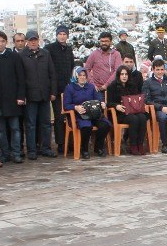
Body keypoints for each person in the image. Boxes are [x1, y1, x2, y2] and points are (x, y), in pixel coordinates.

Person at [0, 31, 26, 163]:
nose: (0, 44)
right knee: (1, 130)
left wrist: (21, 96)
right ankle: (5, 152)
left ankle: (16, 152)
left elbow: (21, 78)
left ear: (6, 42)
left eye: (3, 41)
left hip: (13, 99)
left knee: (15, 128)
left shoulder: (14, 57)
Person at [19, 30, 57, 159]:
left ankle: (46, 148)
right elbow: (20, 78)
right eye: (31, 40)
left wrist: (53, 91)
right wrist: (22, 95)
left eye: (35, 39)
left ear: (38, 40)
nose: (33, 42)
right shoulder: (21, 55)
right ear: (27, 42)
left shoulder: (45, 54)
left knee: (46, 123)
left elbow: (52, 74)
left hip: (45, 95)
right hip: (30, 96)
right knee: (30, 124)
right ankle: (31, 150)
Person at [62, 67, 109, 159]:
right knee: (86, 127)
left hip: (93, 114)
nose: (82, 77)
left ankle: (98, 147)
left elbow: (98, 99)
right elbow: (66, 105)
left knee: (105, 125)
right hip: (79, 115)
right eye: (80, 75)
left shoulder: (91, 87)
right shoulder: (70, 88)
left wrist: (102, 103)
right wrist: (76, 107)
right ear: (75, 76)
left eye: (84, 75)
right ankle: (84, 149)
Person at [45, 25, 75, 153]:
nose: (62, 36)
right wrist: (52, 89)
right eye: (60, 34)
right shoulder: (49, 49)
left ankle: (70, 142)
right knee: (59, 117)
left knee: (70, 116)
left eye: (64, 34)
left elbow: (71, 67)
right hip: (55, 89)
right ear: (56, 35)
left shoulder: (69, 49)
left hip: (67, 89)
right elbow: (48, 70)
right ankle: (61, 143)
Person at [106, 64, 148, 155]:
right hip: (120, 113)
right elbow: (108, 103)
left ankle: (140, 144)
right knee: (134, 119)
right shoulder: (112, 87)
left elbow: (137, 98)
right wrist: (116, 106)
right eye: (122, 74)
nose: (124, 76)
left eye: (126, 74)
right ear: (118, 75)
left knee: (142, 117)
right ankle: (132, 145)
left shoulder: (132, 85)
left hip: (133, 110)